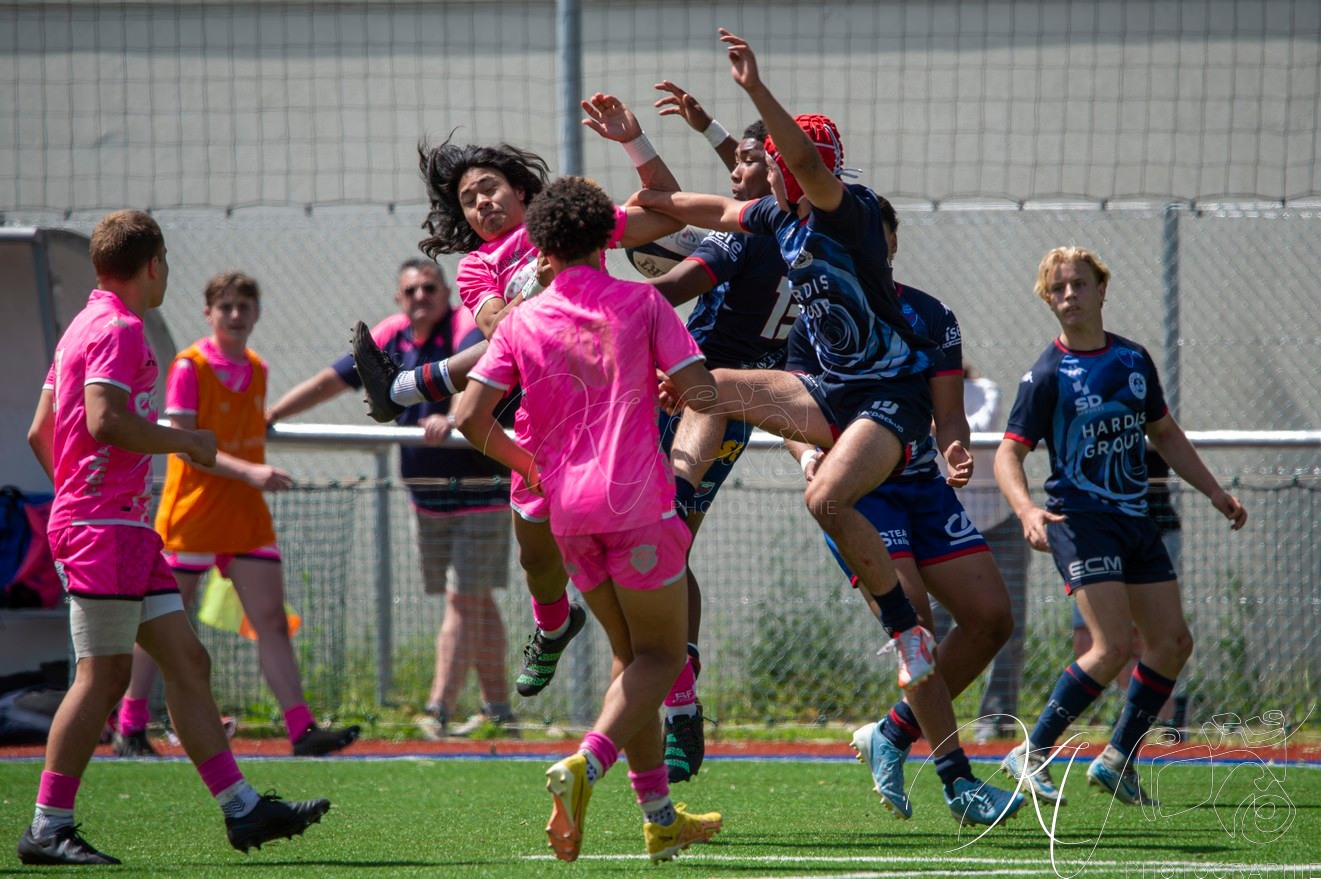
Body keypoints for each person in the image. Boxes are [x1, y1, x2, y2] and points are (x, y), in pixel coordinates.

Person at [628, 30, 940, 692]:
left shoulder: (844, 210)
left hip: (889, 391)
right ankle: (677, 497)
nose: (761, 168)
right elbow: (715, 207)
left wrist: (753, 88)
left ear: (789, 167)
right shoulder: (778, 217)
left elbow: (801, 160)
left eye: (768, 160)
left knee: (825, 500)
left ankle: (905, 628)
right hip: (830, 388)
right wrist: (632, 209)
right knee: (706, 385)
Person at [350, 94, 688, 703]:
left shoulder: (568, 226)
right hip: (546, 427)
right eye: (468, 200)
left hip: (618, 420)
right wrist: (545, 288)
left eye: (489, 187)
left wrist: (632, 142)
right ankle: (554, 627)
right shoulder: (478, 266)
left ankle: (681, 706)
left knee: (645, 606)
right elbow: (499, 327)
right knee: (537, 560)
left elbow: (667, 213)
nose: (481, 203)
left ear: (523, 190)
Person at [19, 210, 330, 866]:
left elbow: (40, 430)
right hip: (106, 530)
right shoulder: (120, 328)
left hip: (125, 527)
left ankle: (242, 808)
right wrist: (185, 441)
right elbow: (105, 421)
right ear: (154, 263)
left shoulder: (82, 324)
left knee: (189, 662)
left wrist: (79, 493)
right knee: (103, 676)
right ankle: (48, 824)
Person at [453, 176, 723, 862]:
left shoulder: (521, 320)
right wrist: (672, 386)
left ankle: (659, 817)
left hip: (568, 514)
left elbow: (467, 416)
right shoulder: (642, 301)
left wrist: (529, 466)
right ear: (609, 236)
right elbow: (702, 393)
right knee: (663, 656)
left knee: (630, 659)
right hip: (637, 505)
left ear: (540, 247)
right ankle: (587, 763)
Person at [783, 199, 1023, 827]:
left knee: (992, 619)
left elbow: (949, 416)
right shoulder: (814, 322)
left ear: (888, 243)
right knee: (914, 623)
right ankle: (958, 782)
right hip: (863, 496)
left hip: (922, 487)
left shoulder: (930, 315)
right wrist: (808, 454)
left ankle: (891, 733)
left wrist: (955, 447)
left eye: (873, 233)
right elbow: (792, 409)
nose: (862, 242)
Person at [996, 246, 1247, 807]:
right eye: (1057, 288)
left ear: (1102, 290)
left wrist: (1214, 491)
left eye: (1079, 284)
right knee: (1110, 647)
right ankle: (1030, 752)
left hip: (1136, 519)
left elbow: (1165, 432)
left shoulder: (1133, 360)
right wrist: (1028, 510)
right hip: (1080, 522)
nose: (1069, 295)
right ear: (1047, 300)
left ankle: (1117, 760)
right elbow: (1008, 455)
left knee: (1172, 643)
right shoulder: (1046, 374)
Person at [113, 271, 360, 759]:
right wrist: (249, 471)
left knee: (271, 620)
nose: (235, 314)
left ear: (256, 313)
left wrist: (250, 474)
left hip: (244, 516)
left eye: (244, 306)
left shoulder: (258, 368)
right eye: (225, 306)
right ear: (208, 313)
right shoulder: (189, 366)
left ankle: (302, 730)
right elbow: (183, 445)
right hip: (193, 515)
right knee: (160, 623)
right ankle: (130, 726)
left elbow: (248, 428)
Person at [266, 259, 515, 738]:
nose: (421, 297)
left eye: (430, 288)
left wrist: (452, 416)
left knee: (463, 599)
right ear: (399, 298)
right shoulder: (391, 335)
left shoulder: (466, 324)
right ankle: (500, 712)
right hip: (427, 496)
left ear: (445, 293)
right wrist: (274, 412)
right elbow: (332, 380)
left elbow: (476, 374)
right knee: (474, 600)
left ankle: (438, 709)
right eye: (412, 290)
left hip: (481, 489)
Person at [639, 80, 797, 783]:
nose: (735, 165)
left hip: (694, 395)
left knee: (659, 547)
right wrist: (710, 129)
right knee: (665, 544)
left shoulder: (745, 240)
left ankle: (679, 696)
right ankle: (682, 685)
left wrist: (585, 299)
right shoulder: (820, 228)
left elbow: (672, 287)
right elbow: (762, 166)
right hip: (746, 400)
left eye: (747, 161)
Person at [929, 360, 1031, 740]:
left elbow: (979, 428)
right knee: (929, 628)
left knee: (1008, 625)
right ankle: (923, 714)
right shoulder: (914, 397)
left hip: (999, 526)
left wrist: (933, 425)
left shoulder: (985, 389)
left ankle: (996, 720)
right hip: (945, 528)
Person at [1070, 446, 1182, 727]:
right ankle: (1130, 719)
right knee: (1092, 641)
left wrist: (1215, 492)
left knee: (1148, 640)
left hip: (1151, 528)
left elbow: (1167, 437)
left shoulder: (1145, 416)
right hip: (1096, 531)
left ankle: (1161, 722)